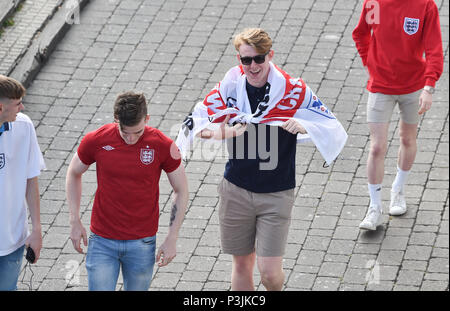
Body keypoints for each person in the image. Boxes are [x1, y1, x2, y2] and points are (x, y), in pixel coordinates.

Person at [176, 28, 347, 290]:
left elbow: (330, 125)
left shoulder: (293, 91)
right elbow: (199, 123)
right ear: (239, 60)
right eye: (246, 60)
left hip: (276, 193)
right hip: (236, 189)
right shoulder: (229, 88)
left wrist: (304, 126)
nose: (253, 66)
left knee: (269, 273)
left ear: (270, 55)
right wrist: (226, 132)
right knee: (242, 265)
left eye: (259, 59)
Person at [66, 91, 188, 291]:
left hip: (142, 242)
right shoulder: (96, 140)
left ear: (147, 119)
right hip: (102, 240)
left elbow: (181, 189)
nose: (131, 138)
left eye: (138, 132)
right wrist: (74, 220)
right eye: (125, 132)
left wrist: (172, 237)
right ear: (116, 120)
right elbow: (73, 173)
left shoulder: (163, 145)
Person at [352, 0, 444, 230]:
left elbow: (434, 49)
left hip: (413, 87)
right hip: (380, 86)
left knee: (407, 138)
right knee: (376, 147)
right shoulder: (374, 4)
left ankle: (398, 190)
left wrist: (428, 87)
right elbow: (361, 33)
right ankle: (374, 208)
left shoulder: (425, 6)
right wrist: (368, 63)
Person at [0, 75, 45, 291]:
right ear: (0, 107)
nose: (22, 107)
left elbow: (31, 179)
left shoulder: (24, 127)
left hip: (12, 241)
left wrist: (36, 230)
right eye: (17, 103)